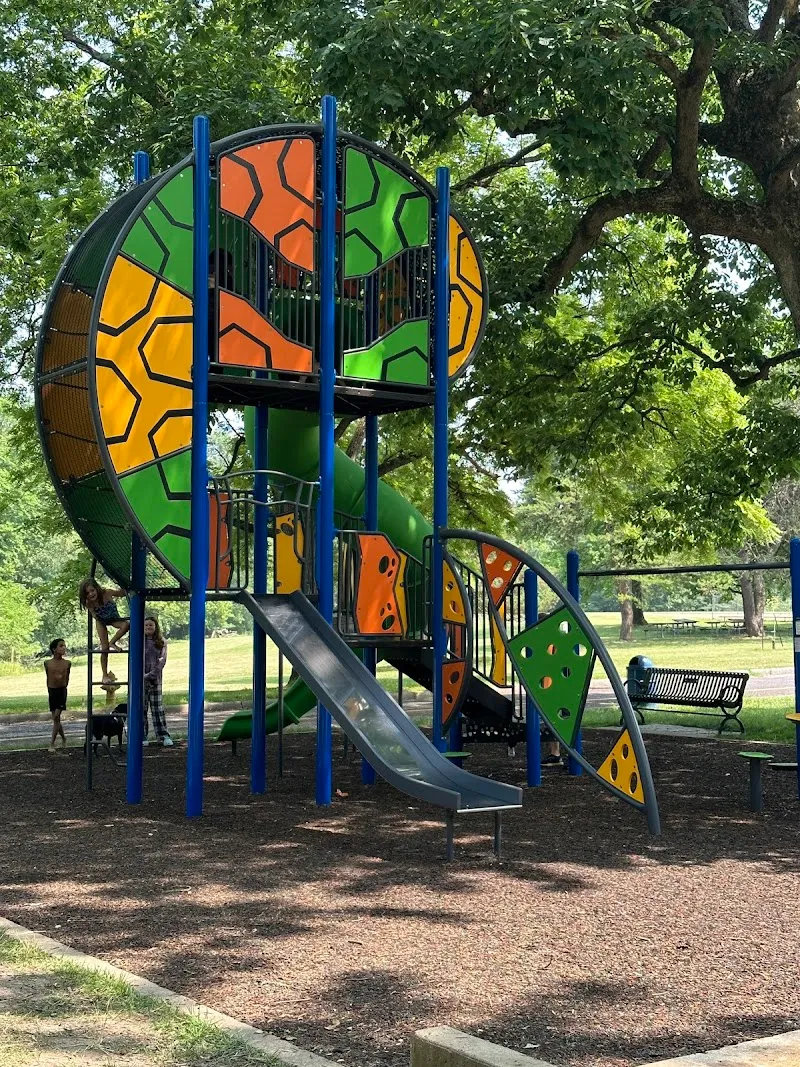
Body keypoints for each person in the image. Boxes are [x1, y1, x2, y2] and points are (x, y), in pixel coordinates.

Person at [79, 578, 130, 684]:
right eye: (87, 593)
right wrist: (99, 618)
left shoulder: (107, 592)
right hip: (101, 620)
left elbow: (121, 593)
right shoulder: (89, 603)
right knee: (104, 648)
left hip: (114, 618)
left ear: (97, 588)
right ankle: (104, 675)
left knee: (126, 625)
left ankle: (113, 642)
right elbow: (95, 615)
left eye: (92, 590)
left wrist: (125, 585)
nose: (91, 594)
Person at [143, 616, 172, 747]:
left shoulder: (161, 642)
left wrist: (150, 675)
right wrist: (141, 675)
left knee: (157, 709)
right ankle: (142, 736)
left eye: (151, 625)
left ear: (156, 627)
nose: (148, 628)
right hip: (140, 680)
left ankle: (163, 735)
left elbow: (162, 661)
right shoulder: (138, 641)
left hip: (155, 680)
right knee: (141, 709)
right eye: (146, 625)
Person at [44, 639, 70, 752]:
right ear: (54, 649)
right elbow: (48, 676)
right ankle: (64, 739)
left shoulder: (67, 663)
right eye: (61, 646)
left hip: (62, 691)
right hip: (52, 691)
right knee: (57, 719)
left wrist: (64, 686)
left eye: (64, 646)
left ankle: (52, 744)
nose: (64, 648)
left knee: (55, 717)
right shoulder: (47, 663)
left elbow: (67, 677)